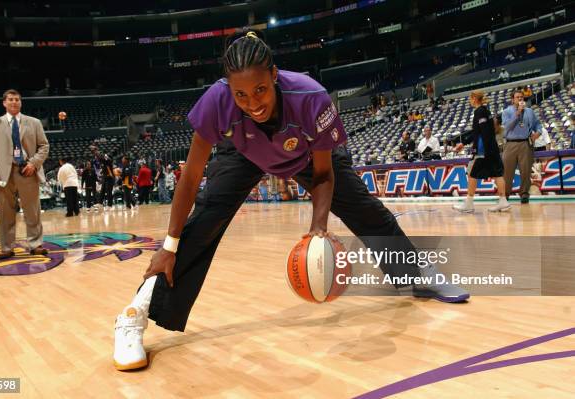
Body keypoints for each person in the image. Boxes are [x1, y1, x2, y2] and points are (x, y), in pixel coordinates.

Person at [112, 30, 469, 371]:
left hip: (308, 158)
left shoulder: (311, 97)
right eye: (241, 95)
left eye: (261, 90)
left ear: (275, 75)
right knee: (202, 224)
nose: (253, 103)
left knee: (369, 213)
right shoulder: (216, 101)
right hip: (243, 153)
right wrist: (170, 244)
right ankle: (133, 316)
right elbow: (190, 177)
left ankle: (419, 273)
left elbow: (324, 175)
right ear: (228, 90)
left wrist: (318, 226)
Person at [0, 89, 49, 259]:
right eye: (11, 99)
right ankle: (7, 247)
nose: (14, 102)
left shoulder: (34, 122)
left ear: (21, 103)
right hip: (3, 174)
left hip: (27, 170)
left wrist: (33, 164)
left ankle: (35, 244)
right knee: (4, 213)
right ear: (4, 103)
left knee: (32, 211)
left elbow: (44, 146)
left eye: (17, 100)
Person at [453, 91, 510, 213]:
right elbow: (480, 131)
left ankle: (469, 204)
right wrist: (464, 143)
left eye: (470, 98)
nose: (470, 100)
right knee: (497, 174)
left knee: (472, 174)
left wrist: (479, 150)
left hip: (484, 149)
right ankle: (503, 201)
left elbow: (482, 132)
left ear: (474, 99)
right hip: (492, 148)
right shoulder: (486, 110)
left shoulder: (479, 111)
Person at [501, 89, 542, 204]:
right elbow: (507, 127)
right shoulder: (506, 112)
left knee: (526, 171)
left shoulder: (529, 111)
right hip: (510, 144)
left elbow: (537, 124)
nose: (520, 99)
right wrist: (517, 113)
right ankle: (505, 195)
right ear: (512, 99)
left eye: (521, 97)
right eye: (517, 97)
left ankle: (524, 194)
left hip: (525, 143)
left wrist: (538, 133)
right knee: (507, 172)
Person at [91, 145, 115, 211]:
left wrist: (96, 151)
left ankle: (110, 205)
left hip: (110, 177)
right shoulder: (102, 162)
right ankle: (100, 203)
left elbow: (105, 159)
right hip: (105, 177)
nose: (96, 157)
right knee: (102, 191)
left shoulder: (106, 160)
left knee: (109, 191)